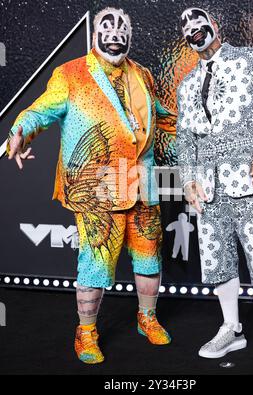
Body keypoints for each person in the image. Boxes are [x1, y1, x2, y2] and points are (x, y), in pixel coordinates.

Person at [7, 7, 176, 365]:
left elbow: (159, 114)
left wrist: (203, 126)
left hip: (143, 183)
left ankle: (147, 318)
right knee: (95, 265)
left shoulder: (143, 74)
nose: (115, 35)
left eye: (121, 30)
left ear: (129, 36)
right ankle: (86, 333)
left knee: (149, 257)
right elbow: (40, 112)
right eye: (107, 28)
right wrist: (19, 131)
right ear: (95, 35)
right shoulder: (70, 74)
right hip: (97, 189)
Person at [176, 7, 253, 373]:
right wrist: (188, 179)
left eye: (199, 22)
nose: (194, 29)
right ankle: (232, 328)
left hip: (251, 180)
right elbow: (184, 137)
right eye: (187, 27)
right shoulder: (186, 84)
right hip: (209, 189)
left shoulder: (252, 60)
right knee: (217, 261)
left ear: (215, 26)